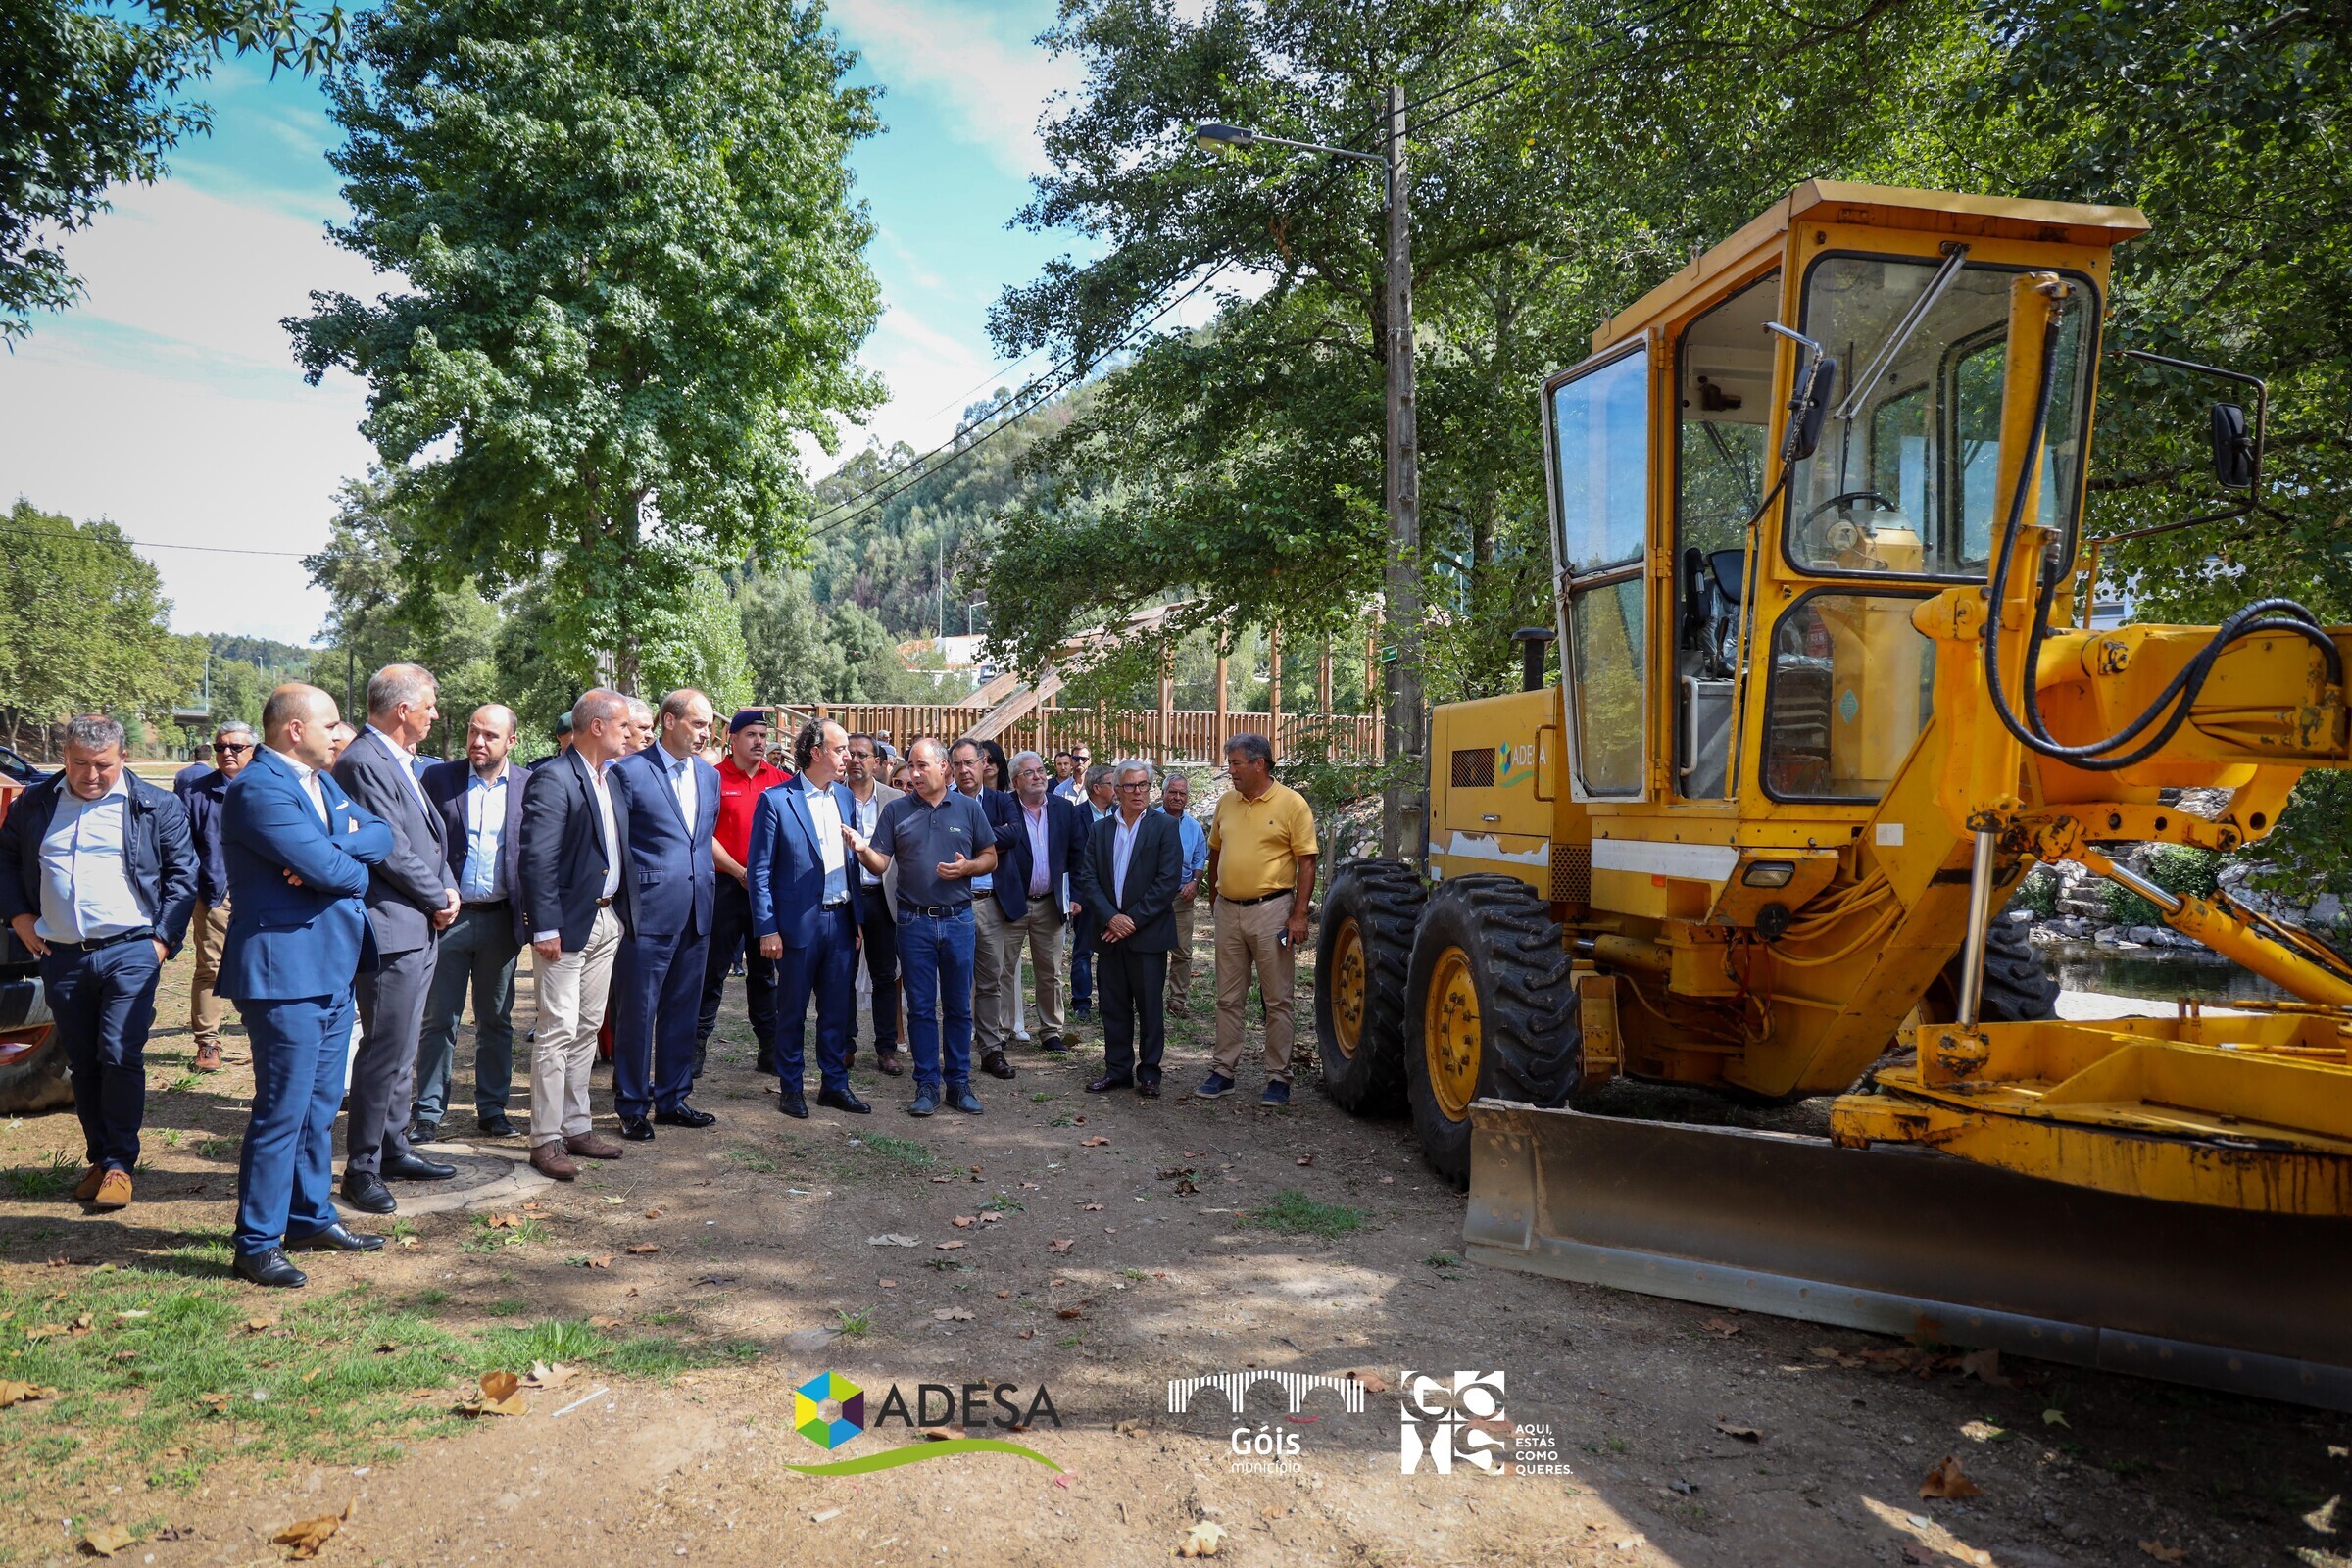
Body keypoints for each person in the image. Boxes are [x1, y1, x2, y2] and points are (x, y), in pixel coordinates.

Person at [219, 684, 395, 1287]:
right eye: (331, 724)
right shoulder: (258, 788)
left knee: (320, 1107)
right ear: (294, 729)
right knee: (282, 1110)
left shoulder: (322, 780)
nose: (340, 732)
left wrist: (332, 851)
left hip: (330, 966)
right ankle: (258, 1241)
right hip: (283, 972)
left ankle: (308, 1216)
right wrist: (335, 863)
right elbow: (335, 872)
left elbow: (381, 836)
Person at [0, 713, 197, 1210]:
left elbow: (182, 874)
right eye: (79, 764)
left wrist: (161, 941)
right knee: (82, 1061)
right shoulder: (37, 802)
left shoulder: (154, 804)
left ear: (123, 757)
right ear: (63, 758)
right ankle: (100, 1156)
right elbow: (3, 858)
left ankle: (120, 1165)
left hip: (131, 950)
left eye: (102, 766)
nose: (90, 775)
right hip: (61, 955)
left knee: (118, 1053)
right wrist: (20, 917)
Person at [333, 665, 459, 1214]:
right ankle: (361, 1168)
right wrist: (439, 896)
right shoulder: (364, 760)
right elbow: (389, 848)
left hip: (417, 923)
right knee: (384, 1049)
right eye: (429, 705)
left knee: (403, 1046)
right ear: (403, 709)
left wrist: (445, 887)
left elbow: (426, 840)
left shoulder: (397, 760)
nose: (435, 714)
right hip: (393, 926)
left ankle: (393, 1146)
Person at [517, 689, 636, 1181]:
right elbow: (537, 857)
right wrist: (544, 925)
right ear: (596, 727)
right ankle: (545, 1139)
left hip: (606, 921)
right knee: (558, 1030)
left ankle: (577, 1126)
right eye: (624, 726)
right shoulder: (554, 778)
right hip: (564, 926)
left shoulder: (610, 780)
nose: (630, 734)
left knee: (588, 1027)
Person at [847, 738, 995, 1117]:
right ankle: (927, 1084)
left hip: (959, 918)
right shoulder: (897, 811)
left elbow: (990, 857)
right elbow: (880, 865)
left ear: (944, 768)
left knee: (960, 1007)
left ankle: (959, 1084)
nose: (913, 774)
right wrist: (863, 849)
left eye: (921, 766)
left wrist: (968, 869)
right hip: (913, 921)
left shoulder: (967, 808)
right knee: (922, 1008)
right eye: (910, 766)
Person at [605, 689, 720, 1141]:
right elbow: (617, 848)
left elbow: (700, 842)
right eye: (697, 723)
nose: (705, 733)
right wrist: (624, 908)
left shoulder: (707, 778)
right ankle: (633, 1104)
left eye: (708, 725)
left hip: (697, 910)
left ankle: (673, 1097)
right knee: (638, 1012)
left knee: (682, 1011)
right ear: (669, 721)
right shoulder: (629, 773)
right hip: (646, 913)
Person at [415, 705, 528, 1139]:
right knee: (439, 1018)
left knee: (496, 1020)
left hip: (501, 922)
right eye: (473, 732)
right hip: (448, 920)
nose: (478, 742)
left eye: (490, 736)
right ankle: (428, 1111)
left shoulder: (526, 786)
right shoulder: (438, 780)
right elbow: (422, 845)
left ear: (510, 742)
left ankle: (492, 1109)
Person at [750, 718, 869, 1119]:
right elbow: (760, 872)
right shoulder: (776, 800)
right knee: (793, 1010)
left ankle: (834, 1085)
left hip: (840, 922)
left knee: (837, 1009)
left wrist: (856, 921)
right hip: (797, 925)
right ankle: (791, 1087)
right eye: (840, 750)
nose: (848, 757)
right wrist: (767, 927)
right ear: (816, 753)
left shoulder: (846, 798)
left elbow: (851, 863)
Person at [1199, 732, 1319, 1105]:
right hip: (1229, 911)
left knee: (1277, 997)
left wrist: (1299, 914)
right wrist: (1215, 896)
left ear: (1259, 764)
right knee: (1228, 997)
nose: (1230, 770)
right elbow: (1216, 851)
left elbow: (1307, 862)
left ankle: (1278, 1077)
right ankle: (1223, 1071)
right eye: (1229, 763)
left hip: (1273, 911)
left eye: (1236, 763)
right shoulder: (1227, 803)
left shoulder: (1291, 804)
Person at [1074, 759, 1182, 1098]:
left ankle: (1150, 1073)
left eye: (1144, 785)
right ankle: (1117, 1070)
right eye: (1130, 786)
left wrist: (1130, 920)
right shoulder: (1101, 829)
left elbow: (1167, 883)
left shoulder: (1165, 827)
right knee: (1113, 1005)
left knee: (1150, 1007)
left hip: (1146, 935)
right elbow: (1087, 878)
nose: (1138, 792)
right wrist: (1111, 918)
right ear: (1116, 791)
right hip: (1109, 935)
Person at [701, 710, 788, 1077]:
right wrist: (739, 872)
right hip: (724, 886)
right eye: (751, 734)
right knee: (712, 970)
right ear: (732, 739)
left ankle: (769, 1049)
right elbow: (702, 834)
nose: (759, 742)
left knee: (765, 972)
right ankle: (694, 1051)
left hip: (766, 893)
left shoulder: (781, 780)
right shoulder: (712, 779)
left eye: (763, 735)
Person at [984, 750, 1082, 1059]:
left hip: (1051, 904)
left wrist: (1075, 895)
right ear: (1015, 781)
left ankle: (1051, 1031)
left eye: (1040, 770)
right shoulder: (1003, 807)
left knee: (1050, 971)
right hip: (1011, 902)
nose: (1038, 776)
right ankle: (997, 1032)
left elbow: (1078, 856)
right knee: (1002, 968)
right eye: (1030, 773)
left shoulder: (1064, 809)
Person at [175, 720, 257, 1071]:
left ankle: (263, 1037)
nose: (227, 753)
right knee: (211, 968)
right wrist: (199, 885)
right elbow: (180, 848)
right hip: (214, 895)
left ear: (252, 750)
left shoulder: (270, 789)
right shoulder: (195, 793)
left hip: (262, 895)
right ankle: (208, 1042)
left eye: (236, 747)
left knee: (258, 968)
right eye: (221, 746)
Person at [949, 738, 1019, 1081]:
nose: (964, 770)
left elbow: (1015, 834)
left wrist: (973, 836)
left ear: (982, 764)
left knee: (991, 980)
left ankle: (991, 1050)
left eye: (970, 763)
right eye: (957, 764)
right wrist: (992, 840)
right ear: (950, 768)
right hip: (953, 904)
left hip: (990, 903)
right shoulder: (941, 802)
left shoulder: (1002, 800)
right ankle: (956, 1051)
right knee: (955, 983)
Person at [843, 732, 903, 1075]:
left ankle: (886, 1048)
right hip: (845, 898)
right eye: (849, 754)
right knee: (842, 975)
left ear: (877, 762)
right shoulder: (832, 797)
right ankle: (845, 1045)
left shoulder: (895, 800)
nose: (855, 760)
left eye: (863, 754)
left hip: (882, 897)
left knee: (885, 975)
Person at [1067, 763, 1116, 1021]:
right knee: (1084, 949)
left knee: (1111, 949)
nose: (1118, 788)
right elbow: (1069, 858)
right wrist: (1073, 895)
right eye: (1112, 783)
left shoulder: (1121, 815)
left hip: (1114, 896)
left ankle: (1110, 1000)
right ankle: (1082, 1003)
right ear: (1097, 788)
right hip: (1085, 895)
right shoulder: (1075, 816)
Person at [1159, 771, 1210, 1016]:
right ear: (1163, 794)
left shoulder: (1194, 828)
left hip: (1182, 896)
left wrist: (1195, 882)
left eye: (1182, 793)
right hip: (1153, 896)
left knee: (1182, 951)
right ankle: (1148, 998)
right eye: (1173, 792)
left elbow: (1200, 860)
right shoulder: (1148, 820)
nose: (1177, 797)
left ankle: (1177, 1001)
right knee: (1152, 949)